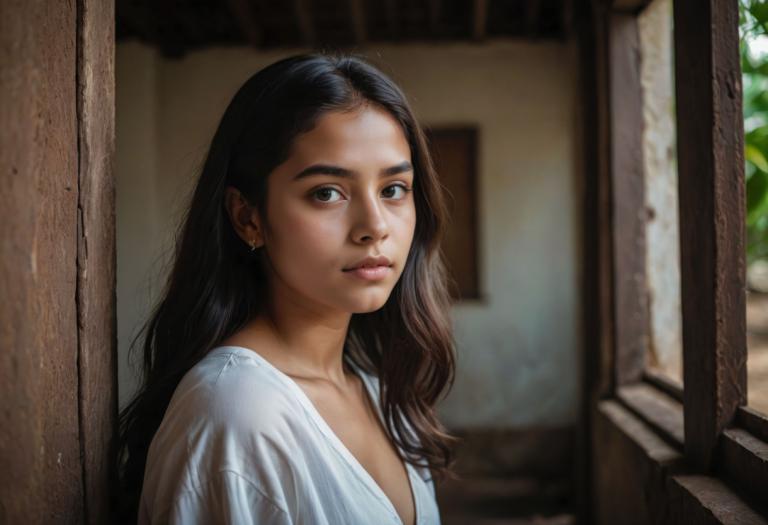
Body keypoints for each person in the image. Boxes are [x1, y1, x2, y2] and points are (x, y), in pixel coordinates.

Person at [113, 52, 459, 525]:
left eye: (393, 189)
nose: (374, 227)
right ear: (247, 216)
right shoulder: (235, 413)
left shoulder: (378, 394)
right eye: (327, 192)